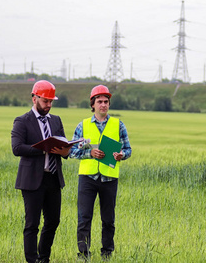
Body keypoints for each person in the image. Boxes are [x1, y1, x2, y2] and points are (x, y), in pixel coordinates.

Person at [11, 80, 72, 263]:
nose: (49, 105)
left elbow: (63, 145)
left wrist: (66, 151)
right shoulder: (22, 121)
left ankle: (43, 258)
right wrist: (43, 148)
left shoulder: (56, 120)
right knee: (32, 225)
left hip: (53, 179)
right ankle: (32, 260)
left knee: (53, 222)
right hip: (31, 181)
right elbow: (17, 148)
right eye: (45, 101)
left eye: (51, 101)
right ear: (34, 98)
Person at [69, 84, 132, 261]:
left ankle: (107, 254)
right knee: (84, 218)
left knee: (108, 220)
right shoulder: (82, 126)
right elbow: (72, 151)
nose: (103, 104)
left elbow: (128, 149)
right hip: (87, 178)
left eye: (106, 101)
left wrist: (122, 155)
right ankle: (83, 254)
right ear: (93, 104)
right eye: (100, 101)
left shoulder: (118, 125)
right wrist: (90, 153)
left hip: (109, 178)